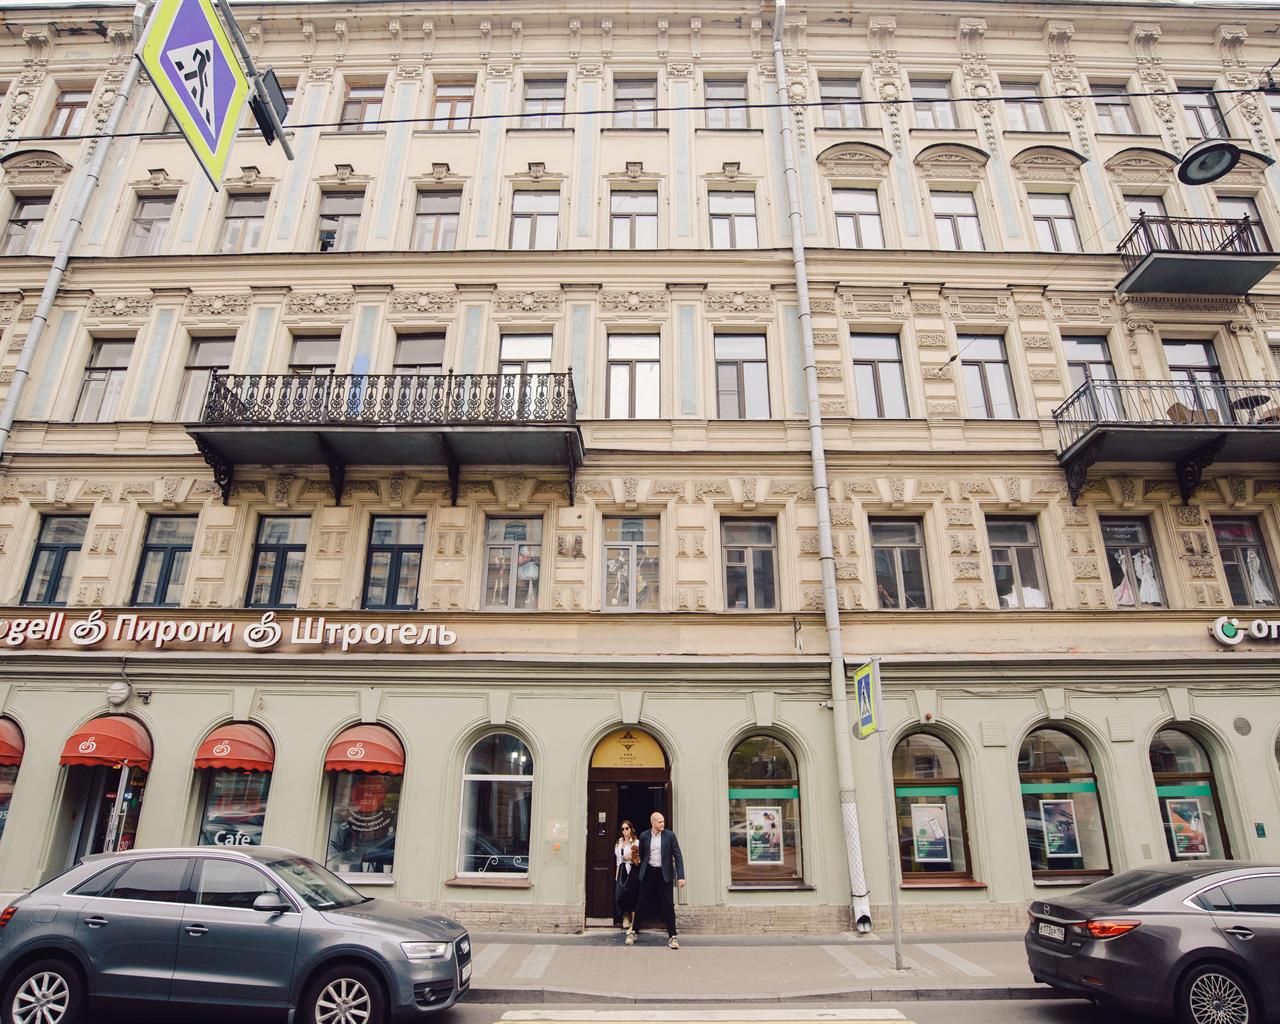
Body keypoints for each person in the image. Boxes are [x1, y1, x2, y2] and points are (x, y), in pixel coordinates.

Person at [630, 810, 685, 949]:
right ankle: (634, 931)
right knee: (641, 902)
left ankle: (672, 936)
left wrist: (681, 876)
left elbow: (678, 855)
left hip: (664, 873)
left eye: (663, 822)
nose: (662, 824)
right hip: (649, 872)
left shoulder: (670, 836)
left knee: (668, 904)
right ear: (653, 823)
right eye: (660, 822)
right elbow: (642, 854)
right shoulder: (644, 836)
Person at [614, 820, 640, 935]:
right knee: (619, 895)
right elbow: (618, 860)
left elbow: (639, 858)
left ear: (631, 829)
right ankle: (626, 916)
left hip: (632, 869)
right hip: (622, 869)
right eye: (623, 829)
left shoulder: (636, 842)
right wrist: (616, 876)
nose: (624, 831)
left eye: (626, 828)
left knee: (632, 896)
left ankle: (633, 924)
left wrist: (631, 857)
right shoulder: (619, 842)